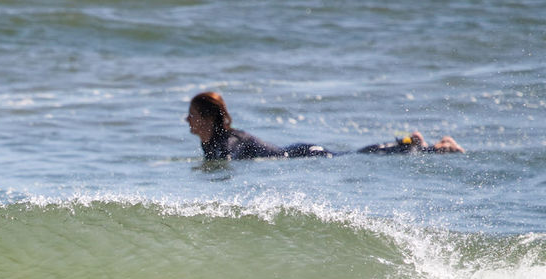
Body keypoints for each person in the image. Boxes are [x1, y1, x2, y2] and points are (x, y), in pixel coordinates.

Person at [186, 91, 465, 161]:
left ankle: (414, 145)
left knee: (356, 155)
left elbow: (229, 158)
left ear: (207, 118)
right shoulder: (212, 140)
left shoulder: (228, 140)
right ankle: (409, 144)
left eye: (192, 115)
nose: (187, 120)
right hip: (295, 153)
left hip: (304, 155)